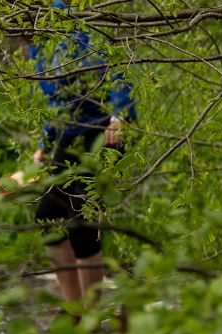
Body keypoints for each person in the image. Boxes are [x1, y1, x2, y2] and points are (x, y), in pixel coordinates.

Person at [25, 18, 136, 310]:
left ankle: (90, 315)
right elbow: (56, 100)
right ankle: (74, 310)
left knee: (82, 223)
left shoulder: (70, 22)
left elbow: (115, 62)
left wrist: (119, 115)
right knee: (48, 218)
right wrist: (45, 143)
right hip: (70, 133)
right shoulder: (36, 43)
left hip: (104, 132)